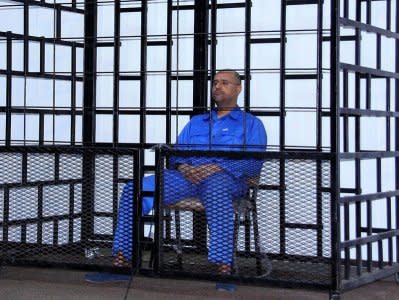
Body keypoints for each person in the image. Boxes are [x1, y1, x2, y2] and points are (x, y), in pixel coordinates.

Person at [113, 69, 267, 274]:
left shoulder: (251, 124)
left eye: (224, 83)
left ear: (238, 88)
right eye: (215, 83)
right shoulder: (196, 122)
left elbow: (253, 164)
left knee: (216, 186)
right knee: (135, 188)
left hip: (226, 180)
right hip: (186, 179)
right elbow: (176, 155)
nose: (217, 87)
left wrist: (216, 167)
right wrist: (184, 167)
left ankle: (224, 265)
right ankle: (123, 256)